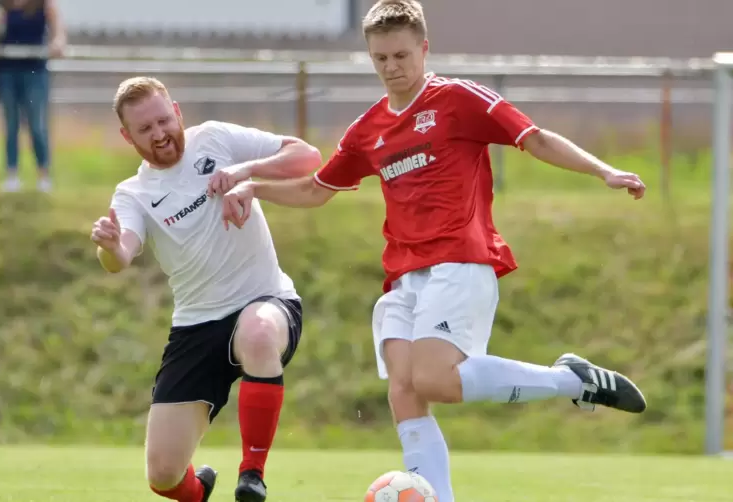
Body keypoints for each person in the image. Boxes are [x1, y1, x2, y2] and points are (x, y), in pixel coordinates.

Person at [212, 1, 649, 501]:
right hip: (404, 276)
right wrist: (255, 187)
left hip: (460, 262)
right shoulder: (368, 129)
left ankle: (570, 381)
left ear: (424, 48)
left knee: (436, 378)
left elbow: (536, 138)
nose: (392, 67)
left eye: (401, 55)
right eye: (380, 59)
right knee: (405, 387)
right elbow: (316, 189)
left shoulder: (458, 99)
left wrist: (604, 171)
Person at [90, 76, 321, 502]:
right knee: (162, 476)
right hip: (197, 327)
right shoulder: (134, 194)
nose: (159, 134)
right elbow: (121, 257)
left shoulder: (215, 139)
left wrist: (244, 172)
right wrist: (109, 246)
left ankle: (252, 474)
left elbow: (307, 157)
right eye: (145, 129)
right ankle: (200, 492)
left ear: (177, 111)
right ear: (127, 136)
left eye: (164, 120)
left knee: (258, 333)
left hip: (265, 302)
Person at [0, 0, 66, 193]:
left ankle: (43, 176)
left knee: (37, 125)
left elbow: (58, 32)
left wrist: (58, 42)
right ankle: (12, 176)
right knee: (11, 125)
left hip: (35, 73)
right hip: (6, 73)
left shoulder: (44, 4)